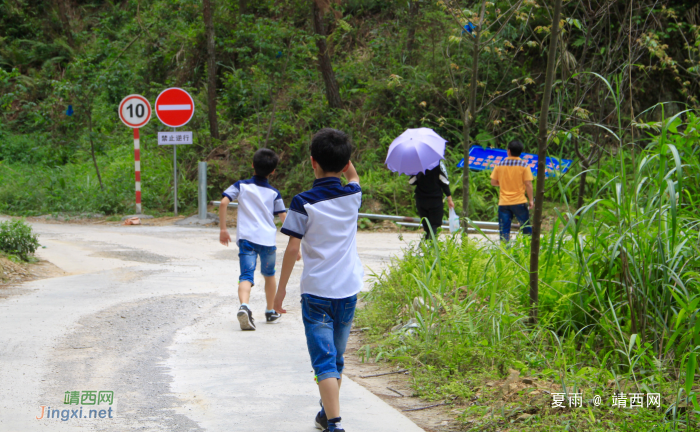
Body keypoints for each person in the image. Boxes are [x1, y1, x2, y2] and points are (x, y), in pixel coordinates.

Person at [274, 128, 362, 432]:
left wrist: (280, 290)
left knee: (323, 361)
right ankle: (326, 414)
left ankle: (334, 423)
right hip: (348, 290)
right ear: (345, 161)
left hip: (316, 293)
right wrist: (346, 161)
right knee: (336, 358)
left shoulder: (302, 202)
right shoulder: (353, 196)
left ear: (313, 162)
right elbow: (354, 177)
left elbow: (292, 249)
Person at [219, 148, 288, 331]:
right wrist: (295, 244)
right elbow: (284, 218)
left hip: (247, 239)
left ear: (252, 165)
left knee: (246, 276)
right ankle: (270, 311)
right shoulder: (274, 193)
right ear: (273, 171)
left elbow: (224, 202)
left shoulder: (241, 186)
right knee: (269, 275)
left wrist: (223, 229)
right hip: (267, 241)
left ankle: (244, 306)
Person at [490, 140, 534, 242]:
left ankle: (505, 253)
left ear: (508, 151)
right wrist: (531, 200)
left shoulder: (500, 165)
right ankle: (528, 251)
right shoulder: (524, 166)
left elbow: (493, 182)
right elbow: (528, 184)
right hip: (519, 201)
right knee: (526, 228)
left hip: (504, 202)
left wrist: (505, 183)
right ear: (520, 152)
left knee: (504, 230)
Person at [409, 160, 454, 240]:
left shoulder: (418, 164)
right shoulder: (438, 164)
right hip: (435, 200)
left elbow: (411, 182)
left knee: (426, 225)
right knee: (435, 224)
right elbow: (444, 182)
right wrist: (449, 199)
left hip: (421, 200)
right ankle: (432, 246)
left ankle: (427, 245)